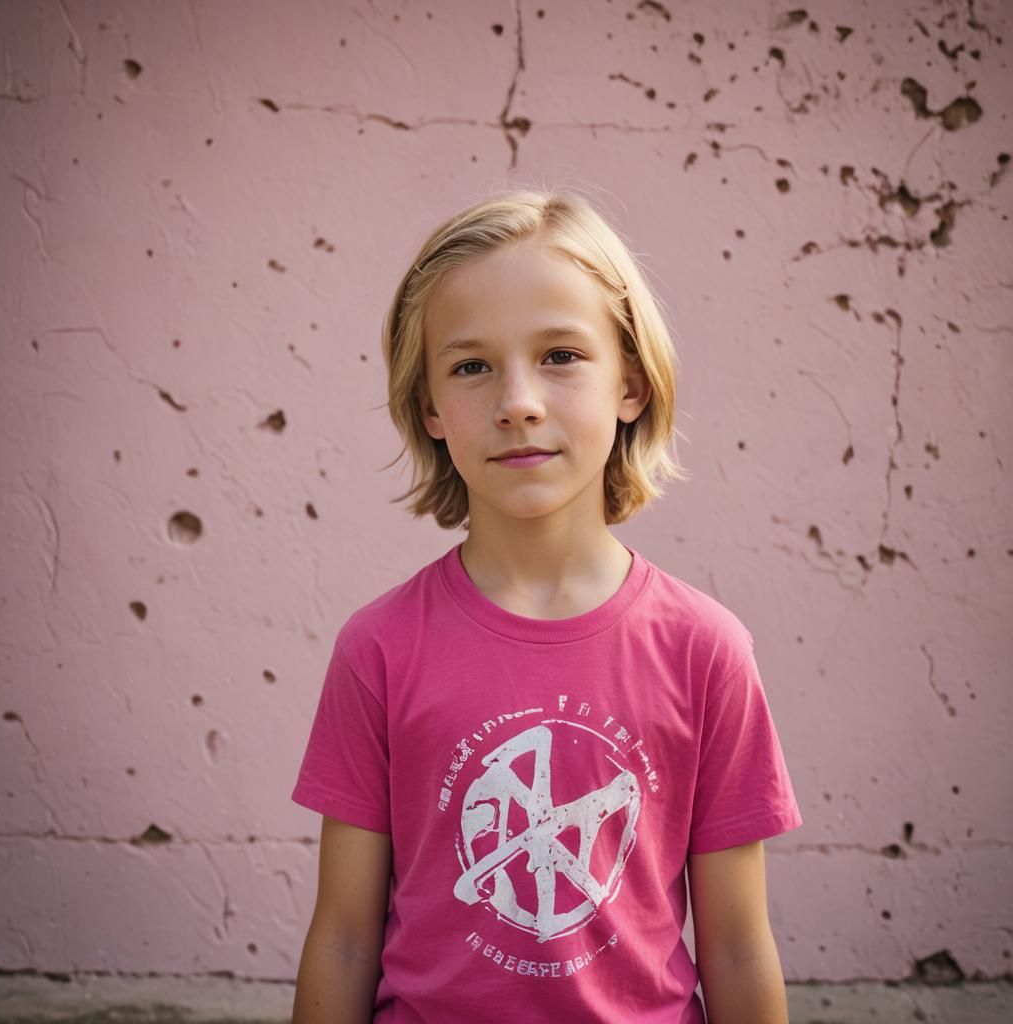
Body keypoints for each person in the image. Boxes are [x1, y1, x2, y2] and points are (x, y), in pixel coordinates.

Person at [290, 189, 802, 1023]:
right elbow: (344, 941)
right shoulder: (378, 648)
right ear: (429, 408)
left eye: (561, 355)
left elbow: (740, 947)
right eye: (471, 366)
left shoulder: (706, 650)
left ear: (631, 383)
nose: (518, 401)